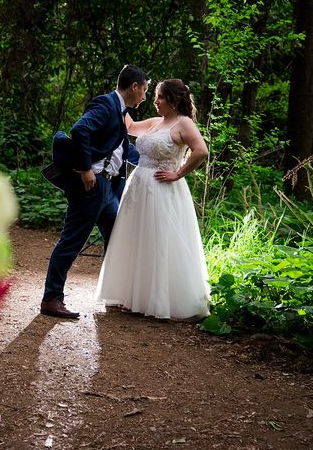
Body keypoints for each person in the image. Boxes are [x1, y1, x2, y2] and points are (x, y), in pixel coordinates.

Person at [40, 64, 150, 319]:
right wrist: (85, 168)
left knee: (117, 238)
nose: (144, 96)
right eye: (144, 89)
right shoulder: (105, 103)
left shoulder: (119, 110)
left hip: (108, 189)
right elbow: (80, 129)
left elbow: (122, 149)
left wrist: (153, 160)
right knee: (72, 241)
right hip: (91, 185)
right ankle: (51, 298)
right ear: (134, 87)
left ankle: (118, 294)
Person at [95, 78, 210, 321]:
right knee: (136, 238)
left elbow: (201, 151)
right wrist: (122, 94)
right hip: (137, 187)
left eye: (159, 97)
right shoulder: (156, 122)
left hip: (161, 189)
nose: (155, 101)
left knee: (156, 240)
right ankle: (131, 295)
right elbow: (129, 126)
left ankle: (155, 299)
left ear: (173, 100)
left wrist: (178, 173)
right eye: (155, 95)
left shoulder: (184, 123)